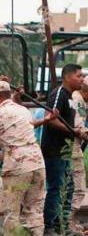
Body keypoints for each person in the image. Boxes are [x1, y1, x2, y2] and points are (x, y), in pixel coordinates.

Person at [0, 81, 57, 235]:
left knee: (12, 212)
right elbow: (20, 139)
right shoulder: (23, 110)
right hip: (37, 163)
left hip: (17, 168)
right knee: (35, 211)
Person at [41, 63, 85, 234]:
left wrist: (78, 132)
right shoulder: (59, 93)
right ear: (67, 77)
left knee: (68, 188)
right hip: (54, 151)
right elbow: (50, 119)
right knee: (56, 188)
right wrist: (71, 131)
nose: (81, 79)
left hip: (66, 151)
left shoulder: (70, 96)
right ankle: (49, 226)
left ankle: (62, 224)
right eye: (78, 76)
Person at [70, 76, 88, 232]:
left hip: (71, 148)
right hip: (71, 149)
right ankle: (70, 224)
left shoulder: (79, 99)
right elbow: (78, 128)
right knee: (78, 187)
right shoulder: (78, 101)